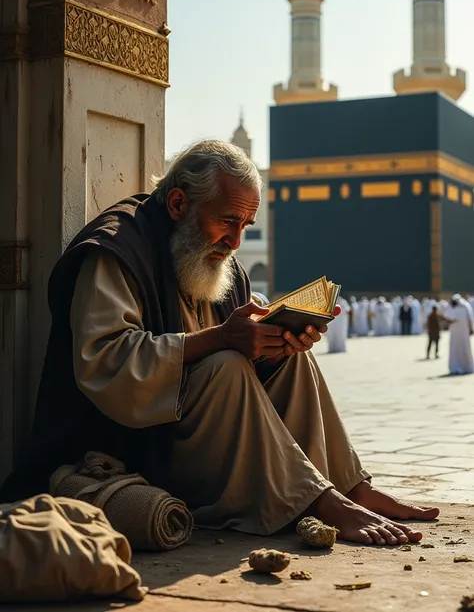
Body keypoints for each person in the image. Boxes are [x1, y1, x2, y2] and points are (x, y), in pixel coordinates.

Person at [0, 140, 438, 546]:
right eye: (228, 221)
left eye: (246, 225)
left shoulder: (220, 266)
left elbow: (241, 348)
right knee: (226, 364)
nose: (235, 242)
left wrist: (275, 344)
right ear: (178, 203)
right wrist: (222, 338)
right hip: (136, 447)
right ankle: (318, 500)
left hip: (206, 438)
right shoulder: (118, 250)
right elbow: (106, 361)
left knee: (292, 362)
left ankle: (348, 486)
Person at [444, 294, 474, 375]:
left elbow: (470, 319)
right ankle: (456, 367)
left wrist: (471, 329)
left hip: (463, 332)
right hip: (456, 333)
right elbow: (447, 318)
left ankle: (467, 367)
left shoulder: (465, 306)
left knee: (464, 349)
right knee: (456, 350)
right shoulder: (452, 307)